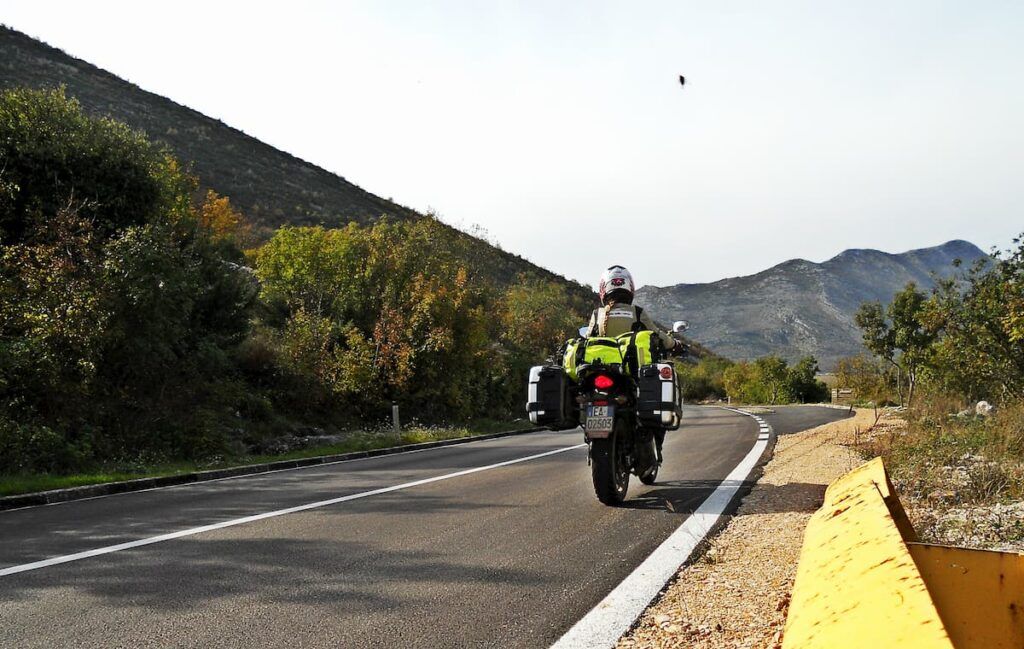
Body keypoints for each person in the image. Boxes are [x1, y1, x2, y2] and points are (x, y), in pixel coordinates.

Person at [585, 264, 683, 463]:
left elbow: (586, 341)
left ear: (604, 289)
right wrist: (675, 344)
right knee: (650, 403)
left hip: (599, 373)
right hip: (630, 373)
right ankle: (655, 447)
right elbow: (657, 335)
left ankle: (592, 439)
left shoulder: (598, 314)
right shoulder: (637, 313)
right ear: (630, 288)